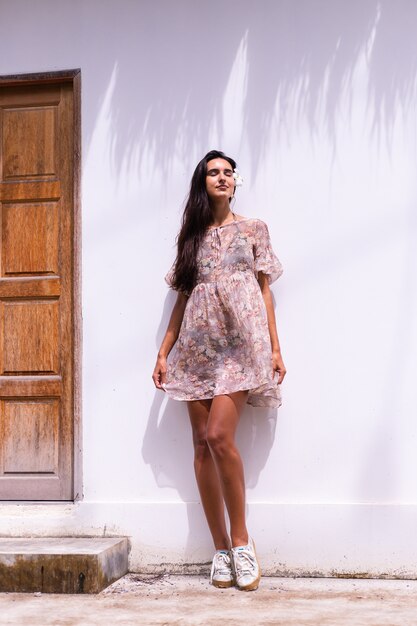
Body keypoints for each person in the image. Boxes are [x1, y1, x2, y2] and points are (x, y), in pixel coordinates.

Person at [152, 150, 286, 591]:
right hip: (196, 348)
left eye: (229, 172)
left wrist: (275, 347)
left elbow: (264, 291)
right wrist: (164, 352)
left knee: (217, 436)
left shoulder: (254, 229)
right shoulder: (190, 237)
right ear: (202, 182)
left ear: (236, 181)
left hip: (241, 346)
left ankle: (243, 543)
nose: (223, 178)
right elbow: (182, 299)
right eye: (214, 172)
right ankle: (221, 550)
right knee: (199, 445)